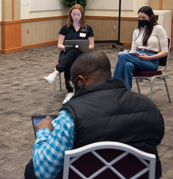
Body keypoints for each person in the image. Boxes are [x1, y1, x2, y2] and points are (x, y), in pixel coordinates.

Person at [25, 50, 164, 179]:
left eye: (73, 83)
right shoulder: (149, 107)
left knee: (32, 169)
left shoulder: (70, 117)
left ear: (82, 81)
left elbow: (44, 172)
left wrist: (43, 132)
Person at [43, 4, 94, 103]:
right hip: (66, 54)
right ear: (70, 14)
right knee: (70, 59)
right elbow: (59, 45)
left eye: (78, 14)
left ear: (82, 15)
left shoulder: (88, 28)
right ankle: (70, 93)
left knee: (75, 51)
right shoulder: (65, 28)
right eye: (74, 14)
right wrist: (67, 47)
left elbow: (92, 45)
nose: (76, 17)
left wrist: (81, 47)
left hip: (82, 55)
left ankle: (57, 73)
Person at [113, 6, 168, 90]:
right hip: (138, 57)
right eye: (139, 17)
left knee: (123, 56)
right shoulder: (137, 31)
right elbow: (133, 50)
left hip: (151, 61)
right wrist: (129, 52)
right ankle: (126, 93)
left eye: (144, 18)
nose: (141, 19)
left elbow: (165, 52)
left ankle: (113, 86)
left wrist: (149, 57)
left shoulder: (158, 28)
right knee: (128, 65)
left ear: (150, 17)